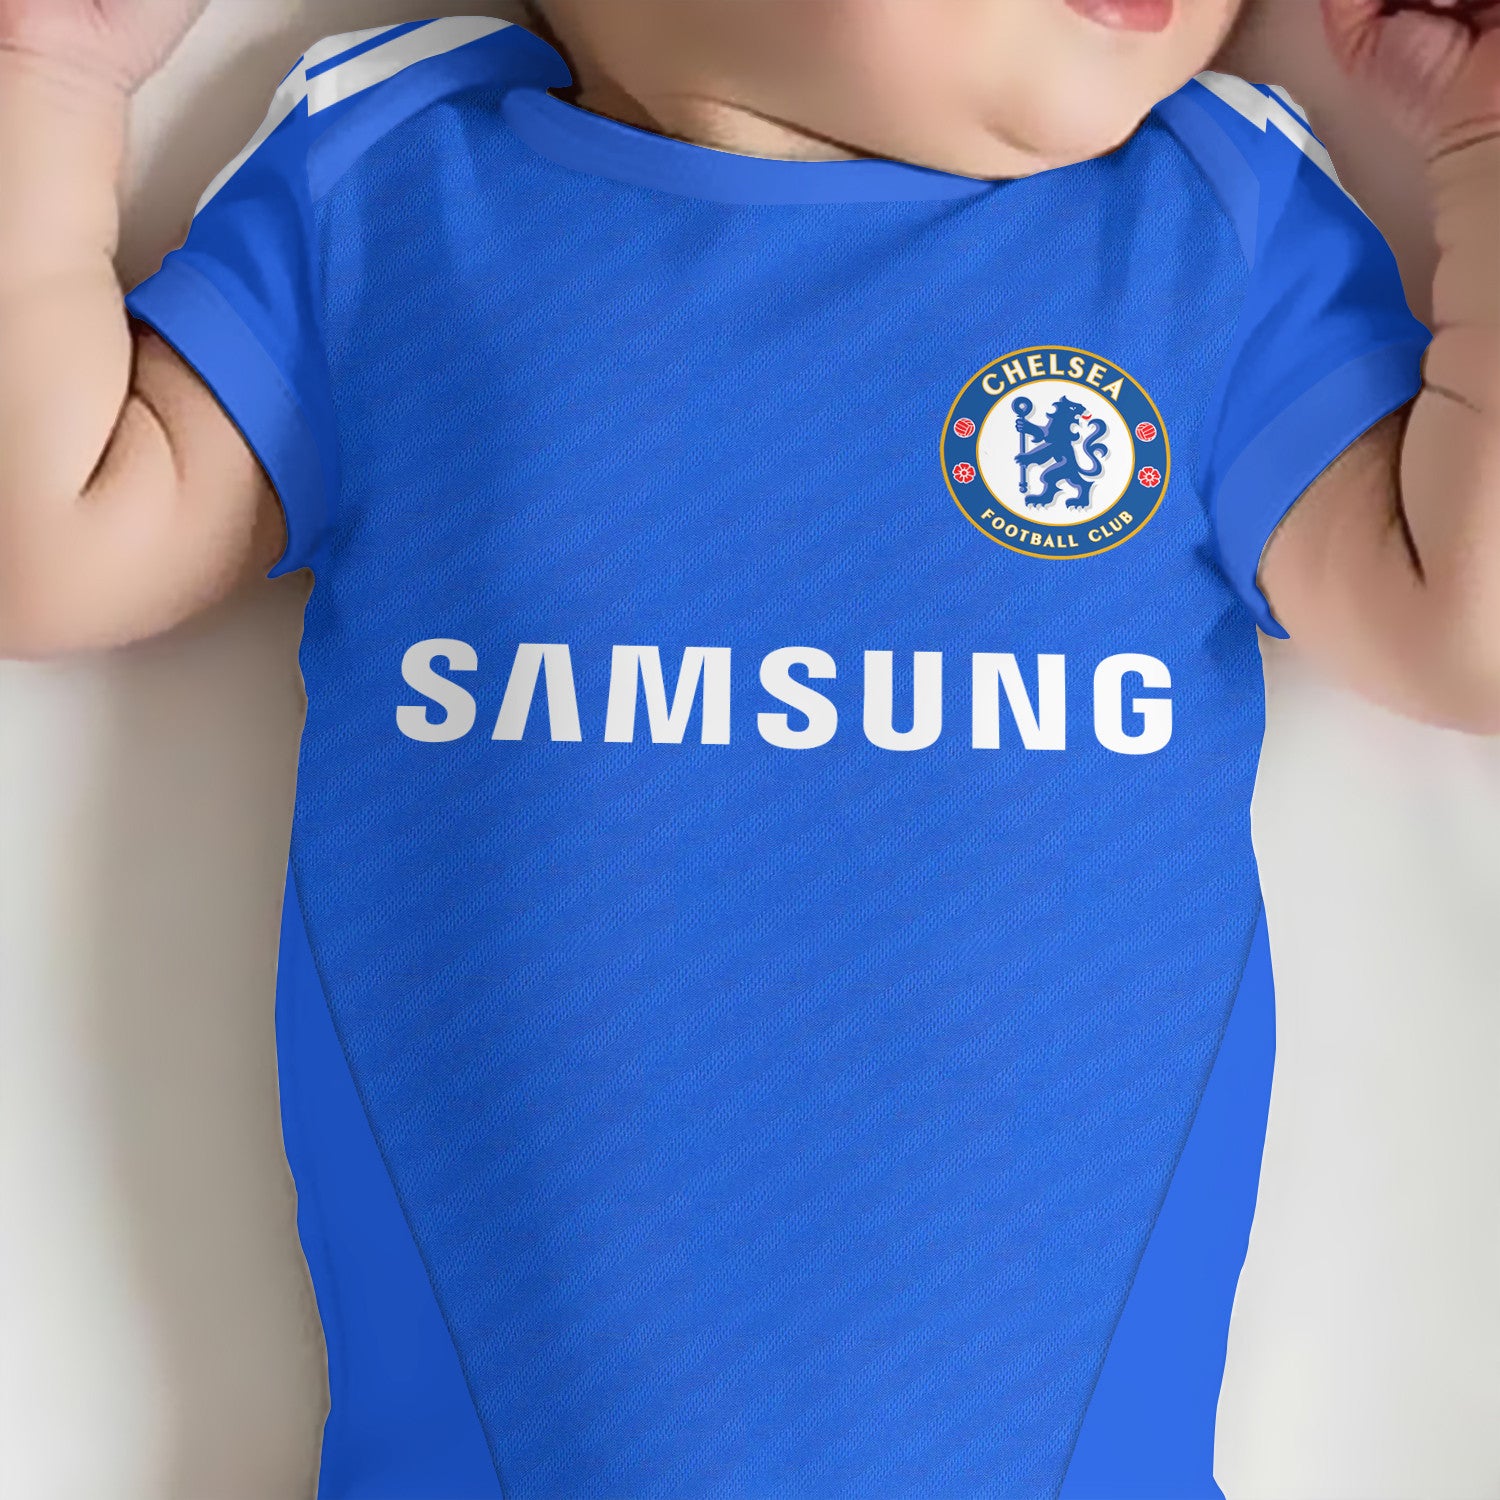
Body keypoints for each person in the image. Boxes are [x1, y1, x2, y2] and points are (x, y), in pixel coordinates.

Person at [2, 0, 1496, 1494]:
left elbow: (1467, 631)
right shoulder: (397, 189)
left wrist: (1488, 140)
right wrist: (47, 73)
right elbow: (48, 546)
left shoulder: (1204, 227)